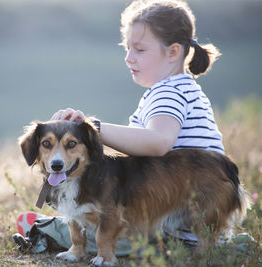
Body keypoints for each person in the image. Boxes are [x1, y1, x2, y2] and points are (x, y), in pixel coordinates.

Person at [13, 0, 250, 256]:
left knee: (69, 227)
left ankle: (45, 231)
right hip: (172, 207)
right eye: (127, 48)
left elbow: (159, 142)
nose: (128, 57)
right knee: (96, 219)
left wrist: (94, 129)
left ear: (173, 52)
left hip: (180, 212)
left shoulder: (168, 94)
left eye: (139, 49)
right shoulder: (178, 89)